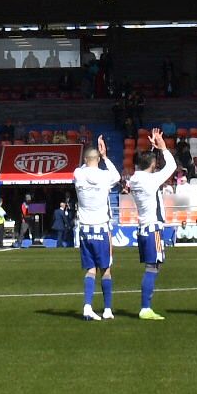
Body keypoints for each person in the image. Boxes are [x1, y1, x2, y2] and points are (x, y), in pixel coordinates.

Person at [125, 130, 178, 321]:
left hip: (143, 227)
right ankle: (145, 308)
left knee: (152, 266)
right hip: (153, 228)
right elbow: (171, 166)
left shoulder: (135, 178)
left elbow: (146, 165)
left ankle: (146, 307)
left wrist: (152, 151)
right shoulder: (150, 180)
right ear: (153, 165)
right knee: (153, 267)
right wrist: (163, 147)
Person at [72, 136, 121, 321]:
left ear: (85, 160)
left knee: (90, 269)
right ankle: (107, 309)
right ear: (98, 160)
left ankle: (87, 306)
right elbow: (117, 176)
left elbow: (84, 167)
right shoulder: (104, 176)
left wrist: (91, 159)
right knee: (105, 269)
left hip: (85, 229)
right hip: (101, 228)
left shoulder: (78, 173)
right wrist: (105, 156)